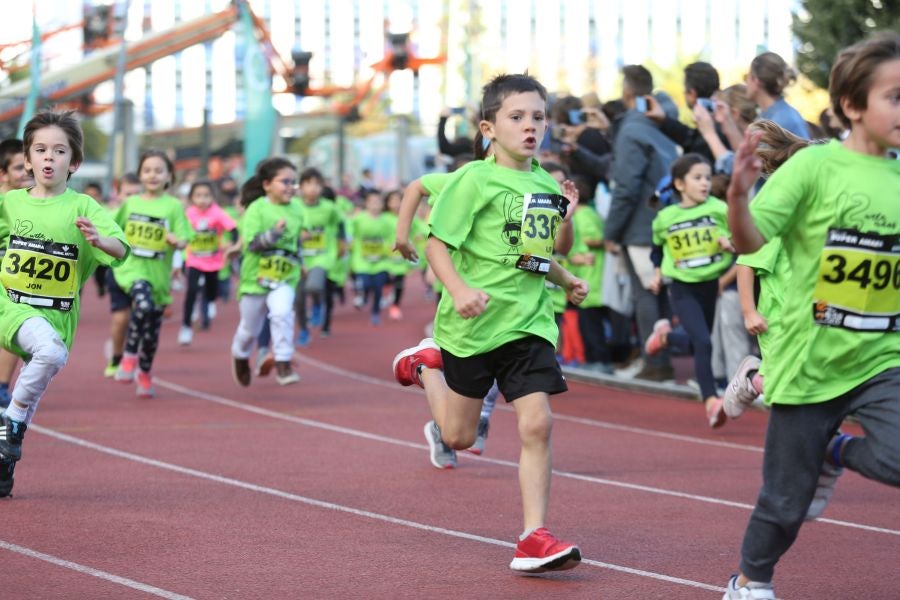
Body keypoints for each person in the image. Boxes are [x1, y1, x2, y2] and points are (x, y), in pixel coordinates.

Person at [721, 32, 900, 599]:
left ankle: (835, 449)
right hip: (808, 360)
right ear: (852, 106)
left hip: (882, 358)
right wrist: (736, 200)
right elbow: (750, 243)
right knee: (784, 502)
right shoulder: (814, 168)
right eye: (895, 96)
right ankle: (750, 581)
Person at [391, 73, 587, 572]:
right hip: (471, 327)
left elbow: (540, 255)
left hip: (528, 324)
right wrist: (458, 291)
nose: (530, 127)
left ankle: (533, 536)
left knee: (538, 423)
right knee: (457, 438)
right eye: (517, 117)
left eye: (539, 117)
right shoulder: (472, 179)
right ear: (488, 127)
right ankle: (425, 366)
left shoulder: (544, 182)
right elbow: (437, 244)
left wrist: (565, 270)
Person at [0, 111, 128, 497]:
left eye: (59, 151)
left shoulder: (84, 208)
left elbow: (120, 248)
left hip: (56, 313)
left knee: (48, 360)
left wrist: (100, 241)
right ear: (28, 159)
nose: (49, 158)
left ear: (73, 163)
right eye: (40, 149)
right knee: (51, 354)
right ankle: (13, 421)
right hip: (10, 305)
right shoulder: (10, 203)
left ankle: (6, 457)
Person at [645, 154, 735, 428]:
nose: (705, 183)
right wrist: (658, 273)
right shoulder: (665, 218)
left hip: (710, 284)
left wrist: (728, 242)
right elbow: (657, 251)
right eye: (697, 178)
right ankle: (711, 400)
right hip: (682, 288)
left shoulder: (719, 209)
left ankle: (668, 337)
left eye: (708, 178)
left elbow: (738, 236)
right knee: (705, 343)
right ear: (680, 184)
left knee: (699, 342)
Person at [604, 64, 679, 382]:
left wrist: (612, 231)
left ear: (626, 93)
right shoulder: (661, 125)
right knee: (658, 292)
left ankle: (656, 361)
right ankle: (658, 357)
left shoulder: (632, 129)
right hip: (662, 219)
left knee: (646, 293)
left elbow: (627, 186)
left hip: (640, 226)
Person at [111, 150, 192, 397]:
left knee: (152, 333)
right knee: (142, 306)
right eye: (147, 170)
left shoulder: (173, 206)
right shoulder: (131, 203)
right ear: (140, 175)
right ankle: (128, 355)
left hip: (159, 275)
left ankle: (144, 373)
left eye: (159, 170)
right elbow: (114, 228)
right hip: (133, 270)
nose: (152, 175)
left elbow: (184, 237)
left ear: (169, 176)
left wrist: (176, 241)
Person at [230, 158, 303, 387]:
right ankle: (240, 354)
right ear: (267, 184)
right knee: (250, 329)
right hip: (255, 279)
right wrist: (273, 234)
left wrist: (301, 260)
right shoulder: (256, 209)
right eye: (285, 181)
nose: (291, 186)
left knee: (282, 313)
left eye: (293, 182)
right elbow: (251, 244)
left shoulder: (297, 209)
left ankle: (283, 361)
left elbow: (297, 241)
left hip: (285, 276)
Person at [178, 179, 239, 345]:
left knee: (212, 292)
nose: (202, 199)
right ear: (191, 197)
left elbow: (233, 228)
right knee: (191, 290)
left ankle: (210, 301)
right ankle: (186, 327)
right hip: (193, 259)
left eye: (206, 195)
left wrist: (232, 245)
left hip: (213, 260)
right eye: (198, 195)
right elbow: (179, 232)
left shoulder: (217, 213)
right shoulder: (188, 214)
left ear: (213, 197)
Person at [294, 167, 344, 346]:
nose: (313, 188)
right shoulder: (294, 206)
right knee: (298, 299)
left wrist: (341, 243)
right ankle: (303, 330)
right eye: (308, 184)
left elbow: (340, 224)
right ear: (300, 187)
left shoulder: (329, 207)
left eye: (317, 184)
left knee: (315, 285)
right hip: (298, 258)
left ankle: (316, 305)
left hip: (322, 256)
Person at [0, 138, 32, 409]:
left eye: (27, 167)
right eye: (19, 168)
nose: (25, 173)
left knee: (14, 329)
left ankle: (2, 386)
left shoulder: (29, 201)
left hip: (19, 277)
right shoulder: (4, 202)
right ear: (3, 173)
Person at [102, 172, 142, 377]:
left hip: (145, 275)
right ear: (118, 195)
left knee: (143, 317)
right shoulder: (110, 217)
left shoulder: (149, 217)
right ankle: (117, 357)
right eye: (128, 194)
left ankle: (136, 357)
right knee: (121, 319)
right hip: (118, 273)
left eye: (137, 194)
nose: (133, 199)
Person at [349, 189, 392, 326]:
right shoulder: (359, 218)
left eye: (378, 202)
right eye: (372, 202)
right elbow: (349, 228)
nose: (375, 205)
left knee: (378, 287)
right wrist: (349, 239)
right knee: (366, 283)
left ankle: (375, 312)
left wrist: (391, 245)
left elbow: (391, 236)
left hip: (381, 260)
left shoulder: (386, 221)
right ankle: (364, 295)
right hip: (362, 260)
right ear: (366, 204)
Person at [745, 51, 810, 139]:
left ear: (756, 80)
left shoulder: (781, 122)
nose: (746, 82)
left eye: (747, 77)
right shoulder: (771, 116)